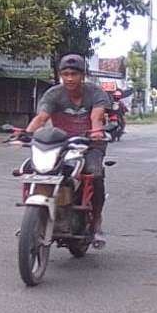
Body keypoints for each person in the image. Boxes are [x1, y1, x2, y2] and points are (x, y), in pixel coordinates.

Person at [25, 54, 110, 246]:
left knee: (94, 174)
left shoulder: (95, 94)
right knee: (35, 170)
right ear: (60, 75)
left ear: (83, 75)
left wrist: (96, 132)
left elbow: (97, 118)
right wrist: (25, 134)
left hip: (90, 144)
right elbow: (41, 118)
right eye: (65, 74)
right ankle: (34, 217)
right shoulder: (53, 94)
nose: (70, 78)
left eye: (74, 74)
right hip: (60, 144)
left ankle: (96, 222)